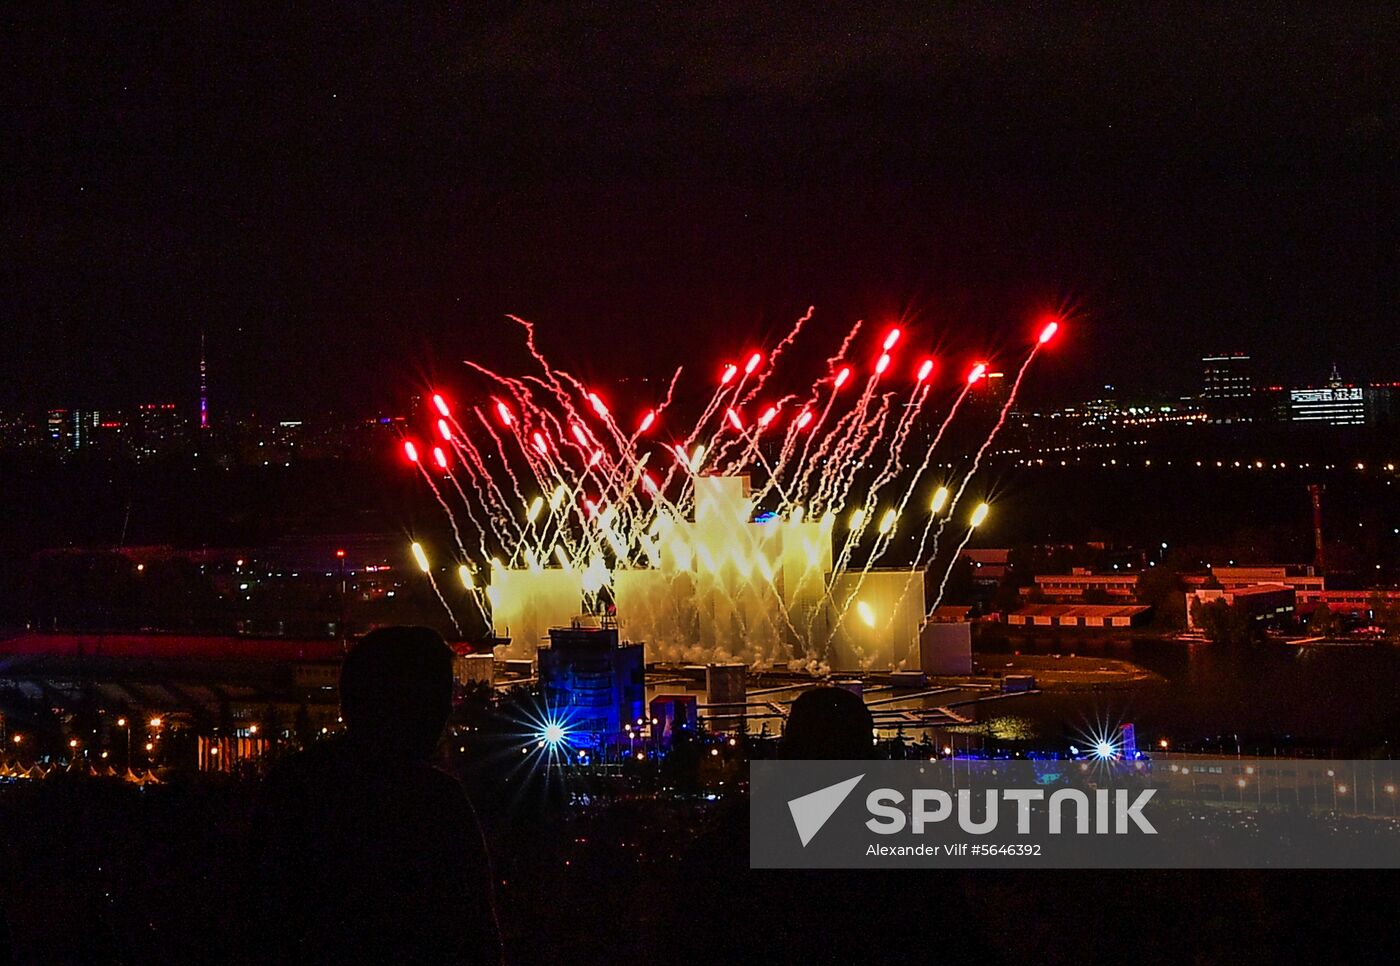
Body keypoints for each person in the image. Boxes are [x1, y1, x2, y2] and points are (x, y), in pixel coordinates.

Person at [248, 627, 501, 965]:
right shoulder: (436, 801)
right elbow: (475, 933)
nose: (446, 712)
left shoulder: (294, 785)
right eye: (436, 698)